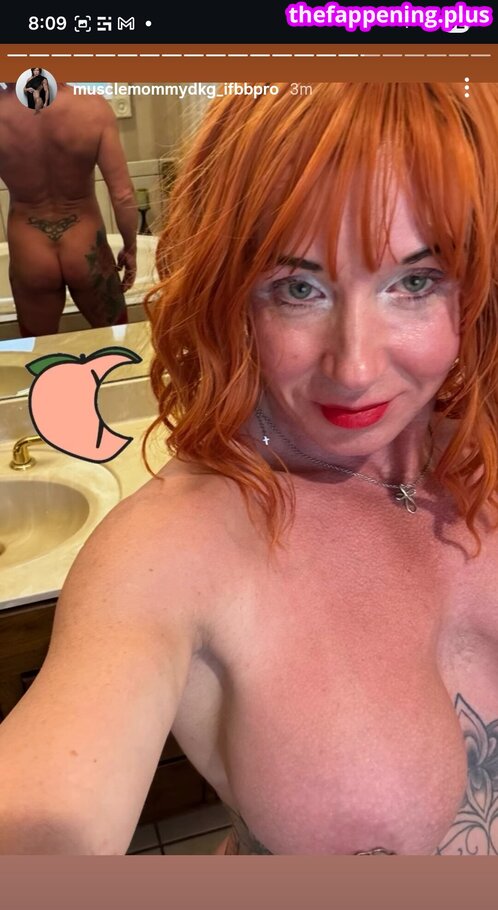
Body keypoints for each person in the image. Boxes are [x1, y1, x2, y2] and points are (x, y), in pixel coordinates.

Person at [0, 82, 497, 856]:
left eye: (414, 281)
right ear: (229, 290)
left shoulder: (478, 449)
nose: (356, 368)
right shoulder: (171, 552)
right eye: (298, 288)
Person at [0, 82, 138, 336]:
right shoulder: (93, 106)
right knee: (118, 344)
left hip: (29, 252)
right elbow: (123, 195)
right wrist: (130, 247)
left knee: (40, 351)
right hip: (86, 247)